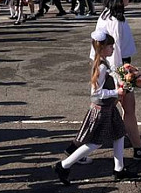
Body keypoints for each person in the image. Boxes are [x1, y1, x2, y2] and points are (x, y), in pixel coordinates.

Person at [89, 0, 141, 160]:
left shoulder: (107, 15)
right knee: (114, 110)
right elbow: (115, 51)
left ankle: (137, 146)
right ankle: (80, 149)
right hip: (116, 70)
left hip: (113, 68)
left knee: (117, 110)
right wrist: (122, 78)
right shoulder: (115, 20)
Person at [54, 29, 136, 185]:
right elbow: (96, 93)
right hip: (101, 110)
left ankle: (119, 169)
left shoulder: (103, 63)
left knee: (119, 134)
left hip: (108, 108)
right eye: (111, 46)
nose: (113, 49)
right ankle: (64, 166)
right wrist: (116, 91)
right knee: (96, 142)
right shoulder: (101, 66)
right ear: (103, 48)